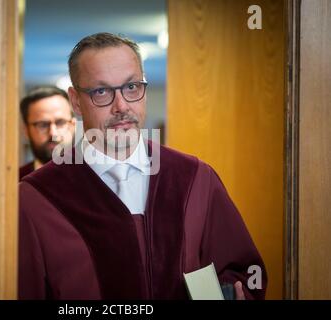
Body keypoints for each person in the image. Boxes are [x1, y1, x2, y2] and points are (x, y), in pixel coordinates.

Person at [19, 33, 267, 299]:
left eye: (132, 87)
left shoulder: (195, 178)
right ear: (76, 101)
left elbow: (243, 272)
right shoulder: (37, 197)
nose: (121, 106)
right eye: (101, 91)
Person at [19, 86, 75, 179]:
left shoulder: (95, 179)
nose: (53, 133)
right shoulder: (13, 183)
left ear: (73, 126)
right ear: (26, 131)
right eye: (42, 125)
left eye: (60, 122)